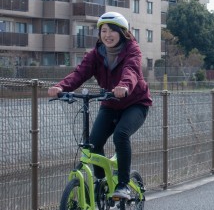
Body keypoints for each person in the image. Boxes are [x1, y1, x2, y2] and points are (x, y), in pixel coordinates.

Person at [48, 12, 152, 200]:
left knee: (121, 135)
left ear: (122, 33)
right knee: (93, 143)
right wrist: (61, 87)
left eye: (112, 31)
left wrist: (124, 86)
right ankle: (103, 180)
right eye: (104, 31)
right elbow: (79, 73)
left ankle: (123, 184)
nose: (107, 35)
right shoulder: (96, 55)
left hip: (135, 103)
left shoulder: (132, 50)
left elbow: (131, 71)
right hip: (111, 103)